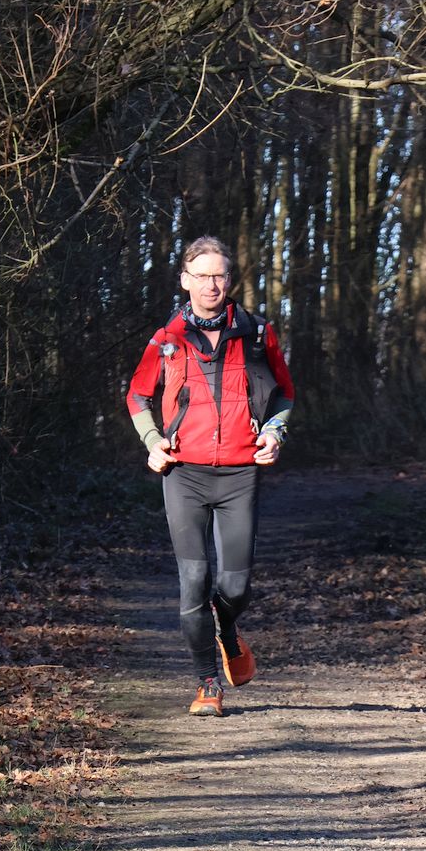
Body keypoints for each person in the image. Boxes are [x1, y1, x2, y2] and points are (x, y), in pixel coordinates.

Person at [126, 235, 295, 716]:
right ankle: (207, 683)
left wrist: (275, 432)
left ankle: (227, 628)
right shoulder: (167, 339)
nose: (211, 285)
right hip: (184, 473)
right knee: (194, 581)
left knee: (236, 587)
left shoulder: (257, 333)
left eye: (219, 275)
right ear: (185, 280)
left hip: (241, 473)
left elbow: (284, 393)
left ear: (230, 279)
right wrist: (153, 441)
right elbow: (137, 395)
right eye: (201, 276)